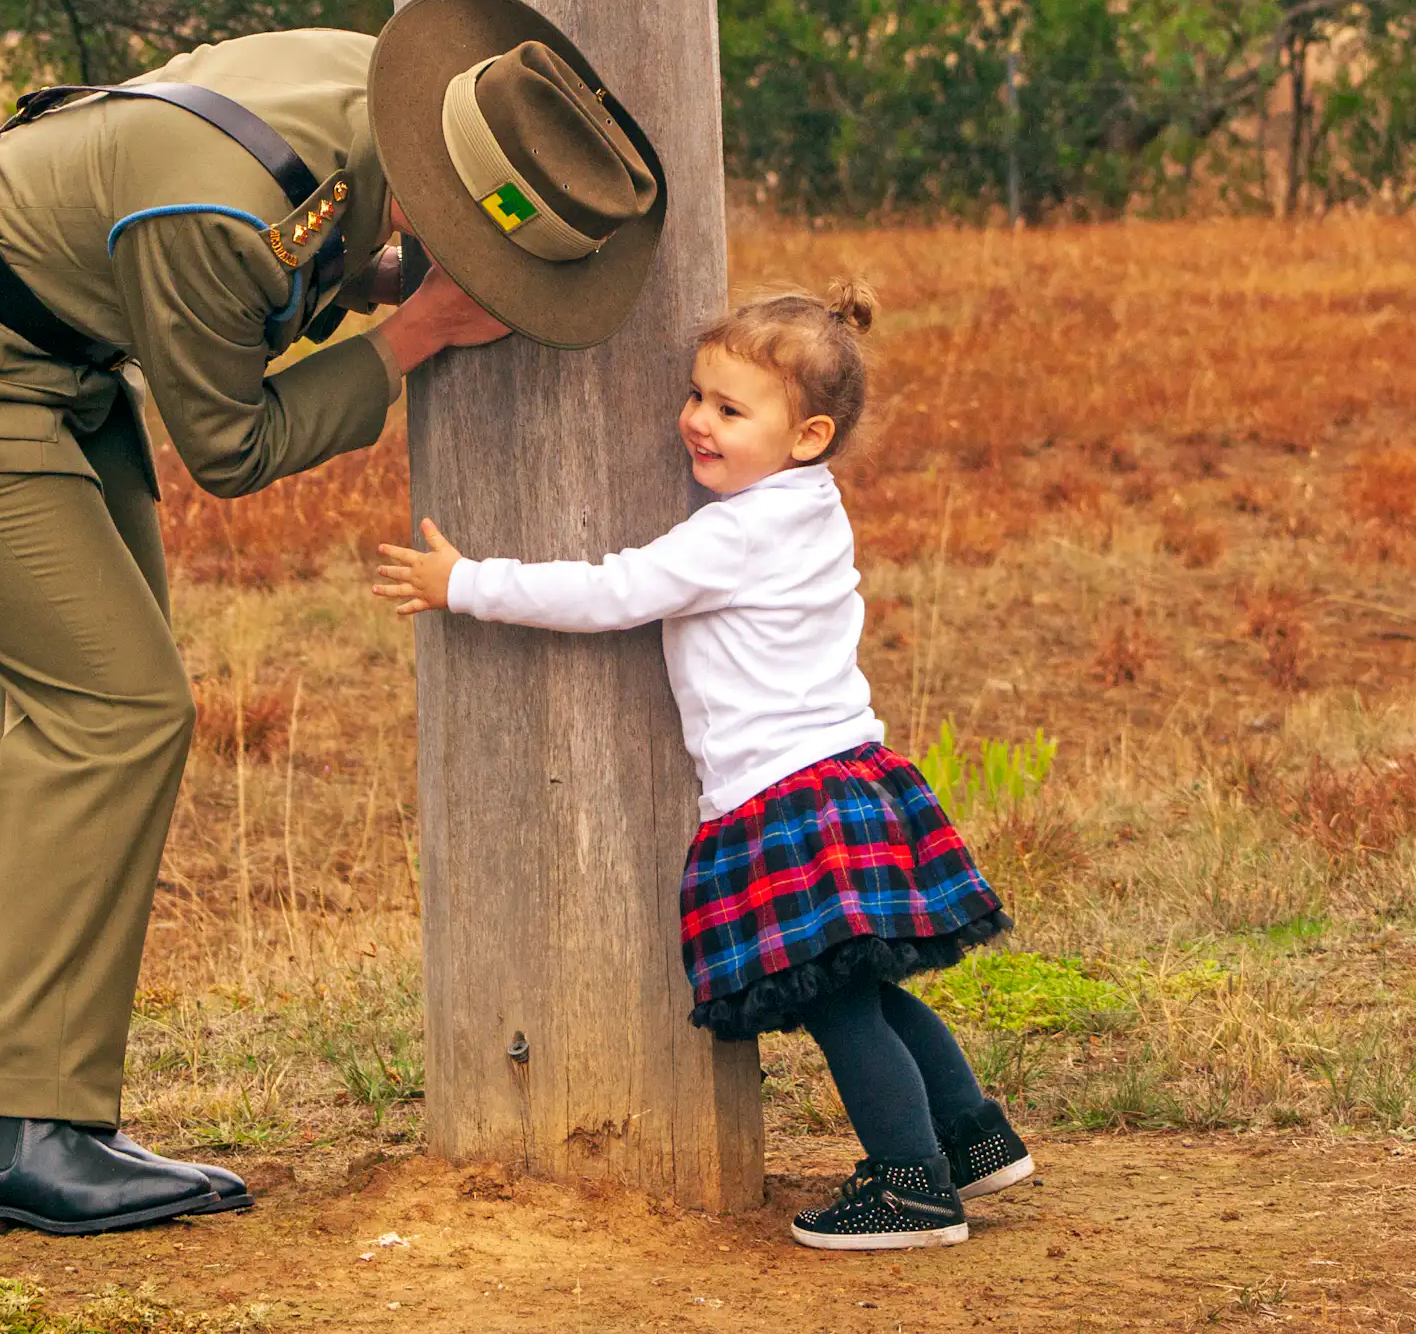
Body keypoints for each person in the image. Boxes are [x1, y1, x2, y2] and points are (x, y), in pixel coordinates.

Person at [0, 0, 668, 1236]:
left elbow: (305, 251)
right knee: (115, 713)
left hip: (40, 355)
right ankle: (16, 1133)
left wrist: (381, 276)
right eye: (491, 255)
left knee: (100, 716)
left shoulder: (359, 86)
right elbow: (231, 445)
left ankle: (41, 1115)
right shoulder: (221, 217)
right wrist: (411, 332)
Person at [372, 281, 1032, 1250]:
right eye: (695, 396)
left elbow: (617, 590)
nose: (696, 421)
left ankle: (909, 1189)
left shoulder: (736, 531)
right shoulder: (808, 505)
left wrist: (465, 583)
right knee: (869, 989)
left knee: (835, 1002)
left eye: (729, 410)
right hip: (844, 772)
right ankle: (972, 1137)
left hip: (785, 796)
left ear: (805, 436)